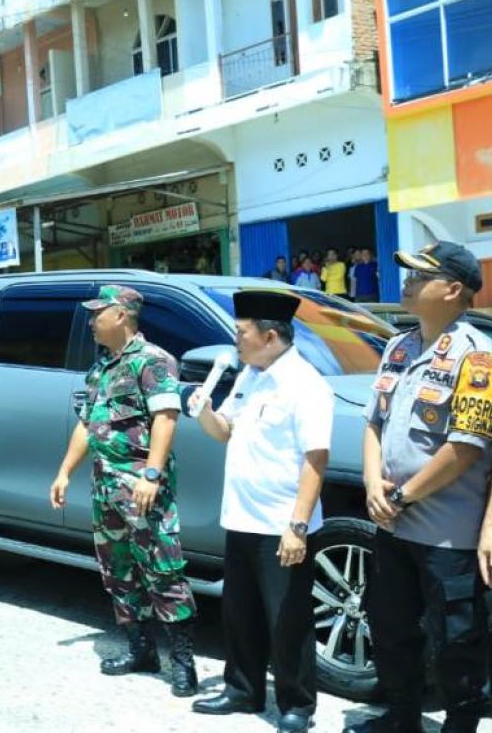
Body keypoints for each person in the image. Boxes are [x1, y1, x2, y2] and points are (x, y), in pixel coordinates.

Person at [343, 241, 491, 733]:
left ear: (453, 289)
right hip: (393, 527)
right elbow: (374, 425)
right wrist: (371, 483)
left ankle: (459, 726)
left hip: (450, 533)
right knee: (390, 629)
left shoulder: (478, 356)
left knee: (457, 641)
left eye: (419, 275)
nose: (406, 281)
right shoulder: (397, 346)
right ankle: (401, 718)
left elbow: (464, 449)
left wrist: (401, 496)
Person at [188, 290, 332, 733]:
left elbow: (316, 459)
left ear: (270, 336)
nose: (236, 340)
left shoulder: (304, 384)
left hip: (280, 523)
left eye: (241, 332)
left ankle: (297, 704)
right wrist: (205, 412)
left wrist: (298, 525)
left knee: (287, 618)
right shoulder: (251, 374)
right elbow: (226, 432)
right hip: (242, 517)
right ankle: (243, 689)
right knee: (241, 610)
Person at [49, 285, 198, 697]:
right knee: (118, 571)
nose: (91, 320)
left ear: (122, 315)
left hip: (142, 489)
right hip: (105, 488)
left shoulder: (152, 361)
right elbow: (86, 425)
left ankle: (183, 662)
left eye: (98, 313)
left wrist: (151, 475)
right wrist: (64, 472)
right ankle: (140, 649)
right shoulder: (100, 368)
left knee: (163, 571)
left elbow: (166, 417)